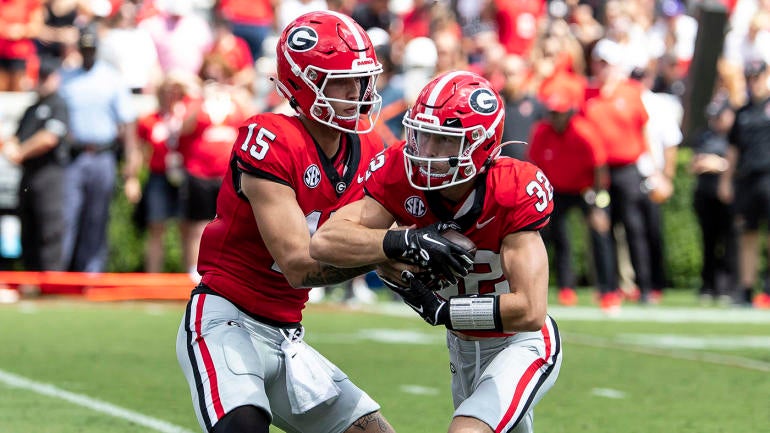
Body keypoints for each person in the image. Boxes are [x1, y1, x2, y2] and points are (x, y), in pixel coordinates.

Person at [175, 11, 397, 433]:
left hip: (288, 337)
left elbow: (393, 241)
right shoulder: (271, 137)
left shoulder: (369, 146)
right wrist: (392, 247)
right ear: (302, 83)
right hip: (228, 321)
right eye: (341, 81)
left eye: (361, 79)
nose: (357, 92)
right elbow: (299, 265)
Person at [310, 71, 562, 433]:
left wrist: (444, 309)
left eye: (443, 141)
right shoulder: (400, 170)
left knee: (467, 430)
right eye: (422, 135)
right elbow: (325, 241)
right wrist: (402, 243)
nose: (425, 151)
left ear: (479, 145)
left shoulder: (511, 188)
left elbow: (530, 310)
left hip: (519, 345)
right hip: (462, 348)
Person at [58, 25, 141, 272]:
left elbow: (127, 123)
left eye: (91, 49)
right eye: (84, 49)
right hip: (73, 155)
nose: (88, 54)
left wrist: (131, 164)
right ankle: (62, 273)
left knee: (97, 217)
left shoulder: (111, 78)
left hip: (103, 154)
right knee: (67, 216)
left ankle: (91, 274)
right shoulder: (67, 77)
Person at [528, 81, 616, 311]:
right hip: (556, 190)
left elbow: (599, 167)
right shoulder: (541, 132)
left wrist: (598, 205)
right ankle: (566, 287)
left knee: (600, 235)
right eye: (552, 113)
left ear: (569, 112)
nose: (555, 118)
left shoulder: (584, 131)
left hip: (586, 190)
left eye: (559, 113)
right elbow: (534, 165)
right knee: (556, 237)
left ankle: (607, 290)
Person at [2, 58, 68, 271]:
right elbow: (15, 136)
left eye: (46, 77)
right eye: (40, 76)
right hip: (28, 175)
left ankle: (51, 281)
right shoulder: (32, 108)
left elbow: (48, 138)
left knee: (49, 229)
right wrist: (10, 147)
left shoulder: (58, 104)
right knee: (28, 228)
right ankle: (31, 281)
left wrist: (20, 152)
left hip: (48, 175)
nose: (42, 81)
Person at [718, 59, 770, 309]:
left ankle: (768, 288)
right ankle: (747, 288)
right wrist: (726, 180)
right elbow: (733, 150)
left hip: (768, 176)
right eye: (750, 78)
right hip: (747, 179)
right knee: (748, 234)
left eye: (757, 77)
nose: (754, 82)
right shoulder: (743, 111)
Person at [690, 95, 737, 304]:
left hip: (729, 196)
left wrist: (720, 165)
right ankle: (707, 285)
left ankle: (727, 286)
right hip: (705, 194)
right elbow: (694, 163)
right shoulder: (704, 136)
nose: (716, 121)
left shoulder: (736, 136)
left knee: (730, 242)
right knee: (708, 242)